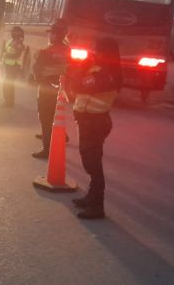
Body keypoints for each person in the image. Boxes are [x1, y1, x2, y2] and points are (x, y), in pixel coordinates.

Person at [66, 37, 122, 219]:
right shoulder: (96, 68)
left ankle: (97, 206)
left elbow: (77, 85)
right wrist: (83, 68)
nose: (93, 53)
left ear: (107, 53)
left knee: (93, 163)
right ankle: (91, 197)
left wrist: (80, 70)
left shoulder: (108, 73)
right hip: (87, 121)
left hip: (96, 123)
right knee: (89, 160)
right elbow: (73, 82)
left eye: (97, 50)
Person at [31, 20, 70, 159]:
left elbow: (37, 71)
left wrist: (38, 81)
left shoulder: (45, 51)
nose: (49, 36)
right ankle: (62, 135)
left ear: (55, 35)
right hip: (62, 89)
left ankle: (47, 149)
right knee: (56, 114)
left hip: (47, 89)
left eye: (51, 33)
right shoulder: (68, 50)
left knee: (45, 118)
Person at [0, 26, 26, 107]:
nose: (12, 33)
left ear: (19, 33)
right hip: (8, 65)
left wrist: (6, 55)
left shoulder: (19, 42)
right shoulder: (11, 40)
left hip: (14, 66)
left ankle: (9, 102)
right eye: (12, 31)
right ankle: (8, 101)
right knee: (7, 84)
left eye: (14, 31)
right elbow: (5, 50)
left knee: (8, 84)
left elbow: (17, 55)